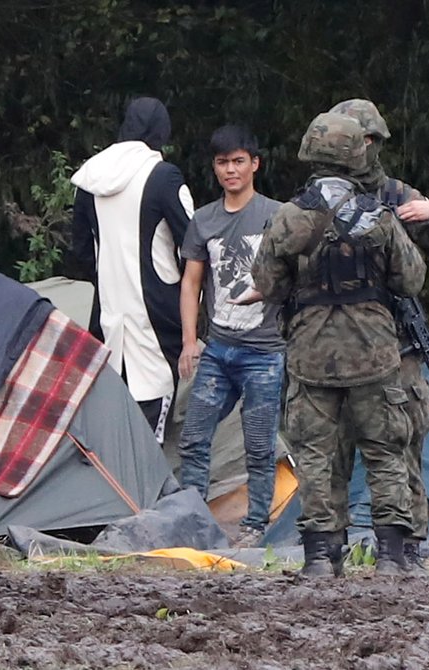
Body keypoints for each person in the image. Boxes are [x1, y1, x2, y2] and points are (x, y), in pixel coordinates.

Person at [251, 111, 426, 577]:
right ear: (358, 154)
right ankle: (391, 555)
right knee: (386, 449)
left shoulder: (287, 217)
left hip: (310, 353)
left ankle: (320, 558)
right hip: (374, 349)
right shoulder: (380, 217)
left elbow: (267, 282)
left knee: (314, 453)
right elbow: (411, 279)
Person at [328, 98, 429, 573]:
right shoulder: (320, 196)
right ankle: (329, 545)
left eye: (369, 140)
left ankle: (406, 544)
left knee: (404, 439)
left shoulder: (397, 193)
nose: (361, 149)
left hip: (396, 342)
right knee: (331, 447)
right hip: (336, 342)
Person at [176, 125, 284, 548]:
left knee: (259, 445)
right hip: (218, 347)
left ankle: (255, 527)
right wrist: (190, 340)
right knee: (194, 436)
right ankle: (191, 519)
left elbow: (295, 274)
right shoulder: (203, 220)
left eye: (239, 161)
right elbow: (191, 284)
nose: (230, 170)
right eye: (223, 162)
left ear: (255, 164)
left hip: (265, 351)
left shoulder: (277, 216)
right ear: (214, 168)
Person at [71, 96, 195, 441]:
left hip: (108, 316)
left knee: (114, 421)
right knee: (152, 430)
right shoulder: (163, 177)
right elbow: (194, 246)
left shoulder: (90, 179)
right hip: (160, 315)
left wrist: (110, 280)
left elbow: (80, 251)